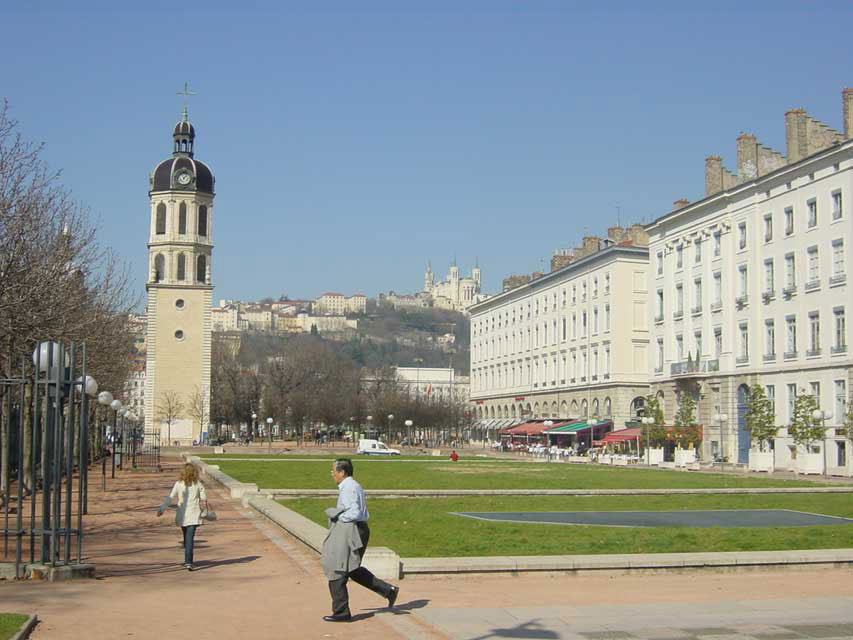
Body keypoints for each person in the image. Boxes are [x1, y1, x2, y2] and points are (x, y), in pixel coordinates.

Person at [321, 458, 399, 622]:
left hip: (353, 531)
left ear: (342, 472)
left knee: (337, 569)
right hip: (358, 529)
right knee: (351, 569)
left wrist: (338, 516)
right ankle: (388, 591)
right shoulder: (351, 485)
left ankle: (341, 612)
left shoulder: (349, 487)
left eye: (333, 471)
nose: (331, 474)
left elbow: (354, 513)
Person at [157, 463, 210, 571]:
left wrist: (162, 509)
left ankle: (188, 561)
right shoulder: (198, 484)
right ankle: (188, 560)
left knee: (187, 537)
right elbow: (204, 499)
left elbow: (170, 497)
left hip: (182, 514)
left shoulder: (178, 484)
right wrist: (205, 511)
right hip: (194, 514)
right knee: (189, 538)